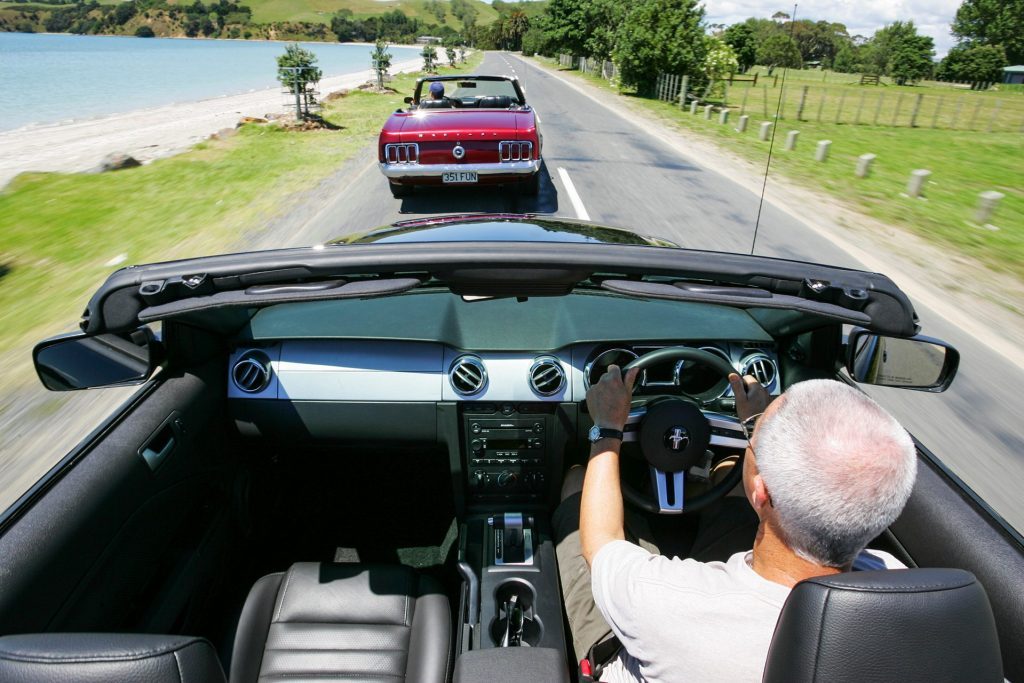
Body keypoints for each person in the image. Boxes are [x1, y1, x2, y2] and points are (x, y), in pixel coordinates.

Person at [554, 366, 916, 682]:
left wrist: (607, 426)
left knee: (578, 480)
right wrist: (753, 426)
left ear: (761, 490)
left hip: (624, 653)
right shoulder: (906, 594)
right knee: (725, 472)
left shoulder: (663, 599)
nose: (752, 440)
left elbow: (602, 542)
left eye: (753, 442)